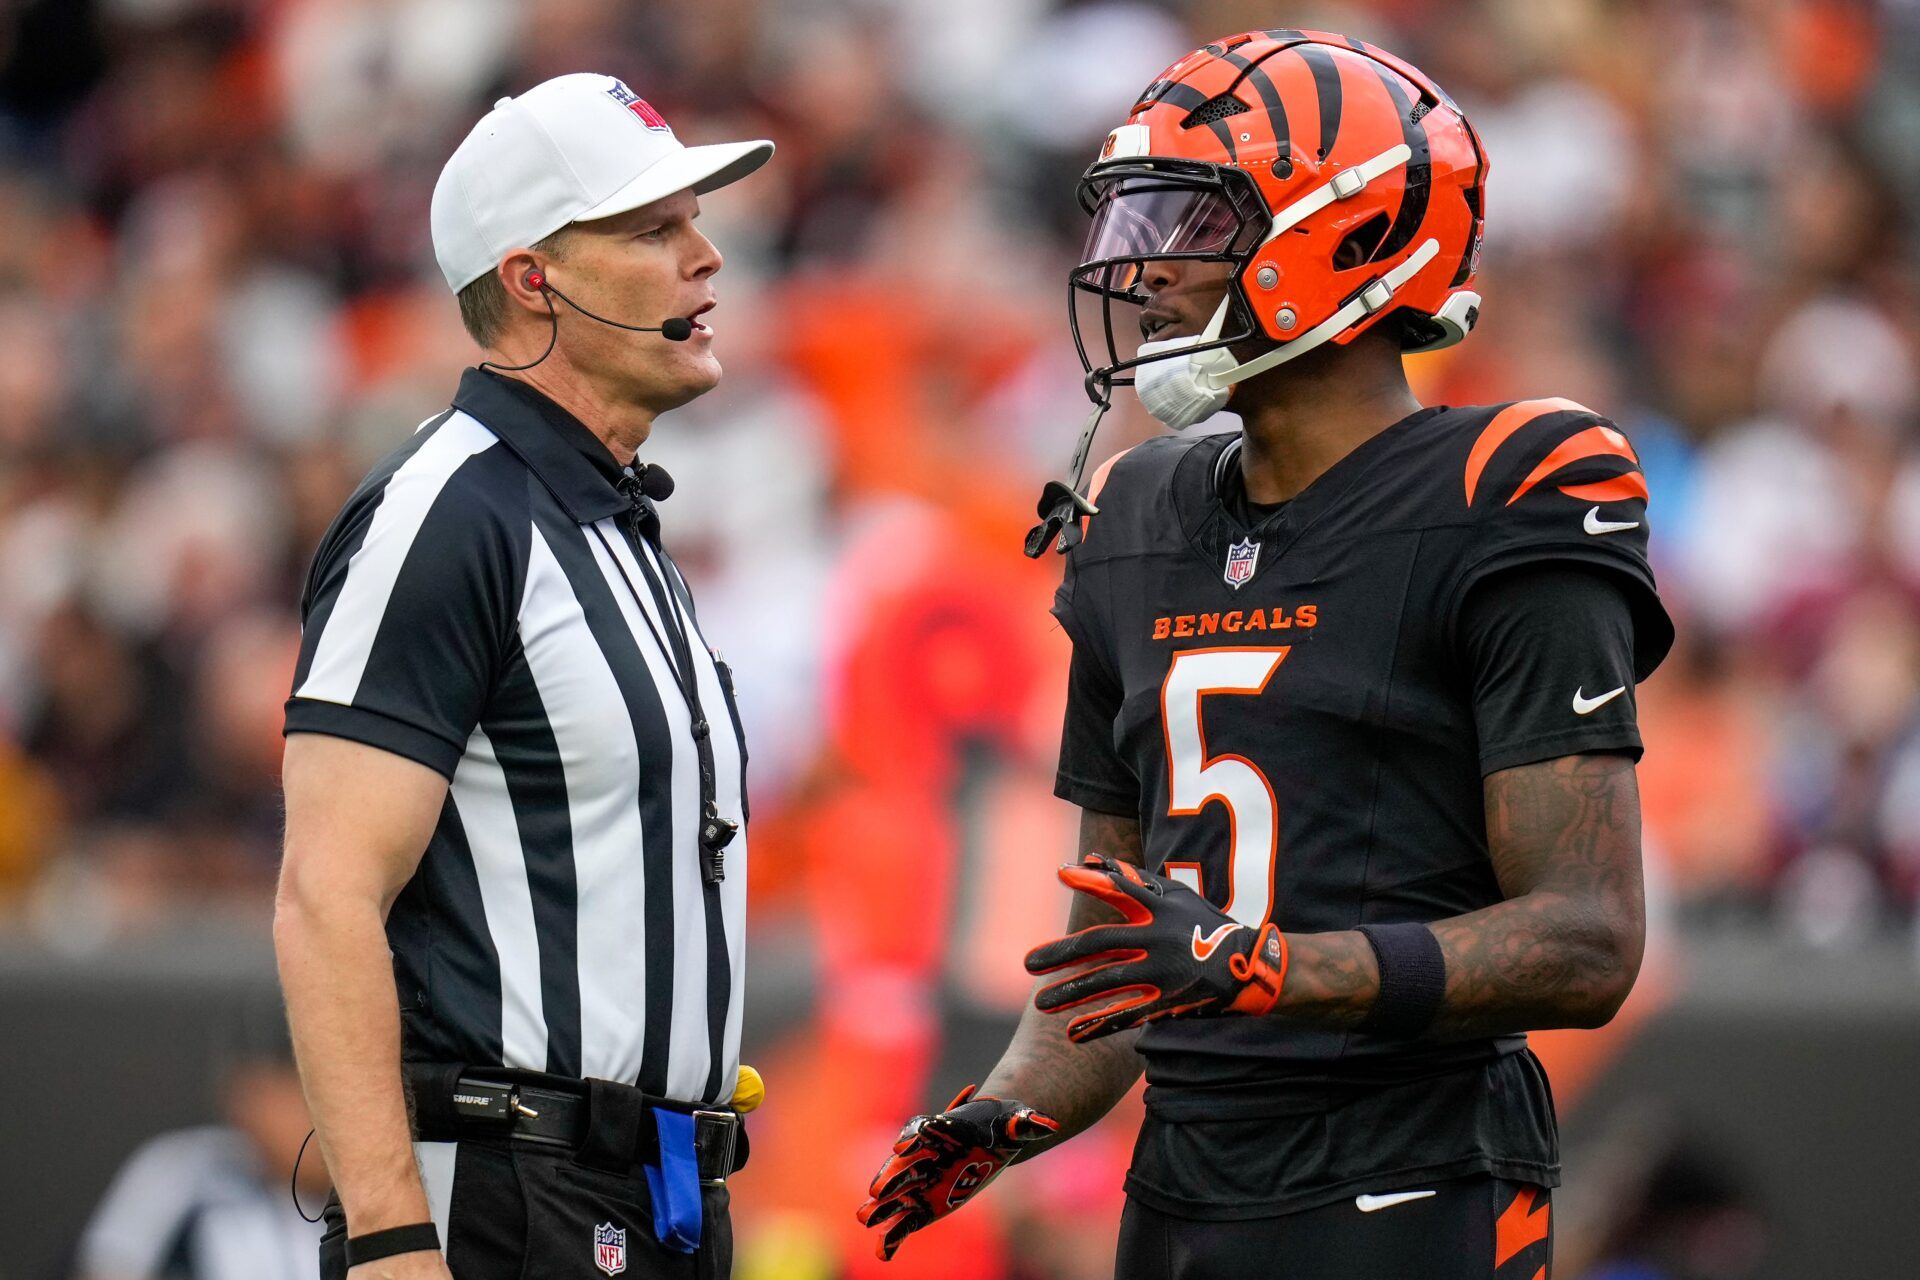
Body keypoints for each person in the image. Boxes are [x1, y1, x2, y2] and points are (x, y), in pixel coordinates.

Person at [859, 29, 1672, 1280]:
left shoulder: (1504, 485)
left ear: (1344, 232)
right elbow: (1121, 949)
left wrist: (1270, 965)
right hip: (1182, 1183)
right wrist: (1009, 1104)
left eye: (1189, 220)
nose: (1145, 268)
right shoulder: (1136, 514)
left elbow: (1586, 939)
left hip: (1413, 1171)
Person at [276, 73, 770, 1279]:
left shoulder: (617, 526)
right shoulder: (447, 511)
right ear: (533, 278)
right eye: (651, 228)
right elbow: (326, 894)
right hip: (505, 1197)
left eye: (693, 220)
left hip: (657, 1193)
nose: (705, 255)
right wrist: (393, 1236)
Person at [73, 997, 327, 1280]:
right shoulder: (185, 1171)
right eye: (293, 1086)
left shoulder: (360, 1191)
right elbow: (107, 1269)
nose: (309, 1110)